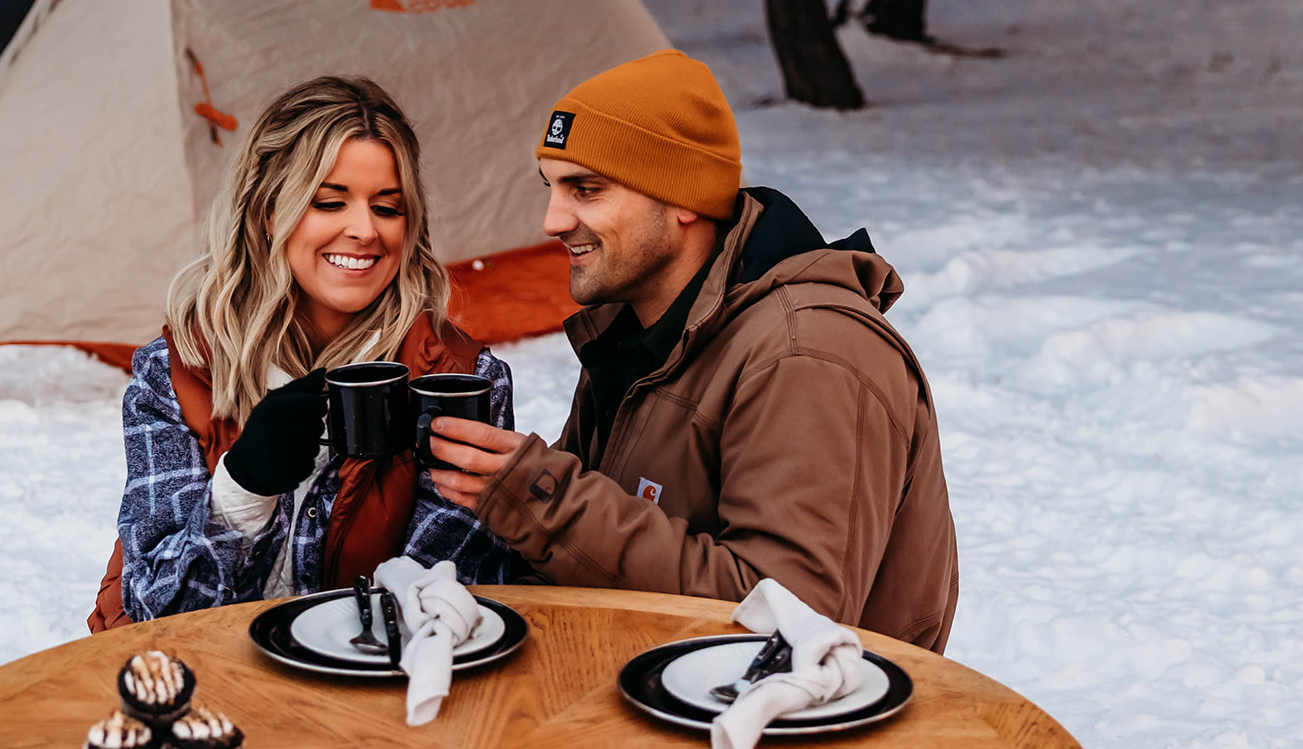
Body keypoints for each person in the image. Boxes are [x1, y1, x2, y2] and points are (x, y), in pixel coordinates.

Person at [427, 49, 958, 651]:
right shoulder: (633, 327)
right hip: (654, 680)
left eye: (586, 190)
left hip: (797, 707)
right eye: (551, 188)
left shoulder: (806, 354)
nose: (552, 220)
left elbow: (791, 619)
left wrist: (546, 501)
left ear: (683, 198)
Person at [90, 76, 514, 630]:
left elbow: (440, 608)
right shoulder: (178, 372)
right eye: (330, 202)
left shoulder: (460, 383)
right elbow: (158, 609)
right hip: (186, 672)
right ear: (269, 212)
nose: (364, 230)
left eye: (388, 208)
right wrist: (240, 491)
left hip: (370, 675)